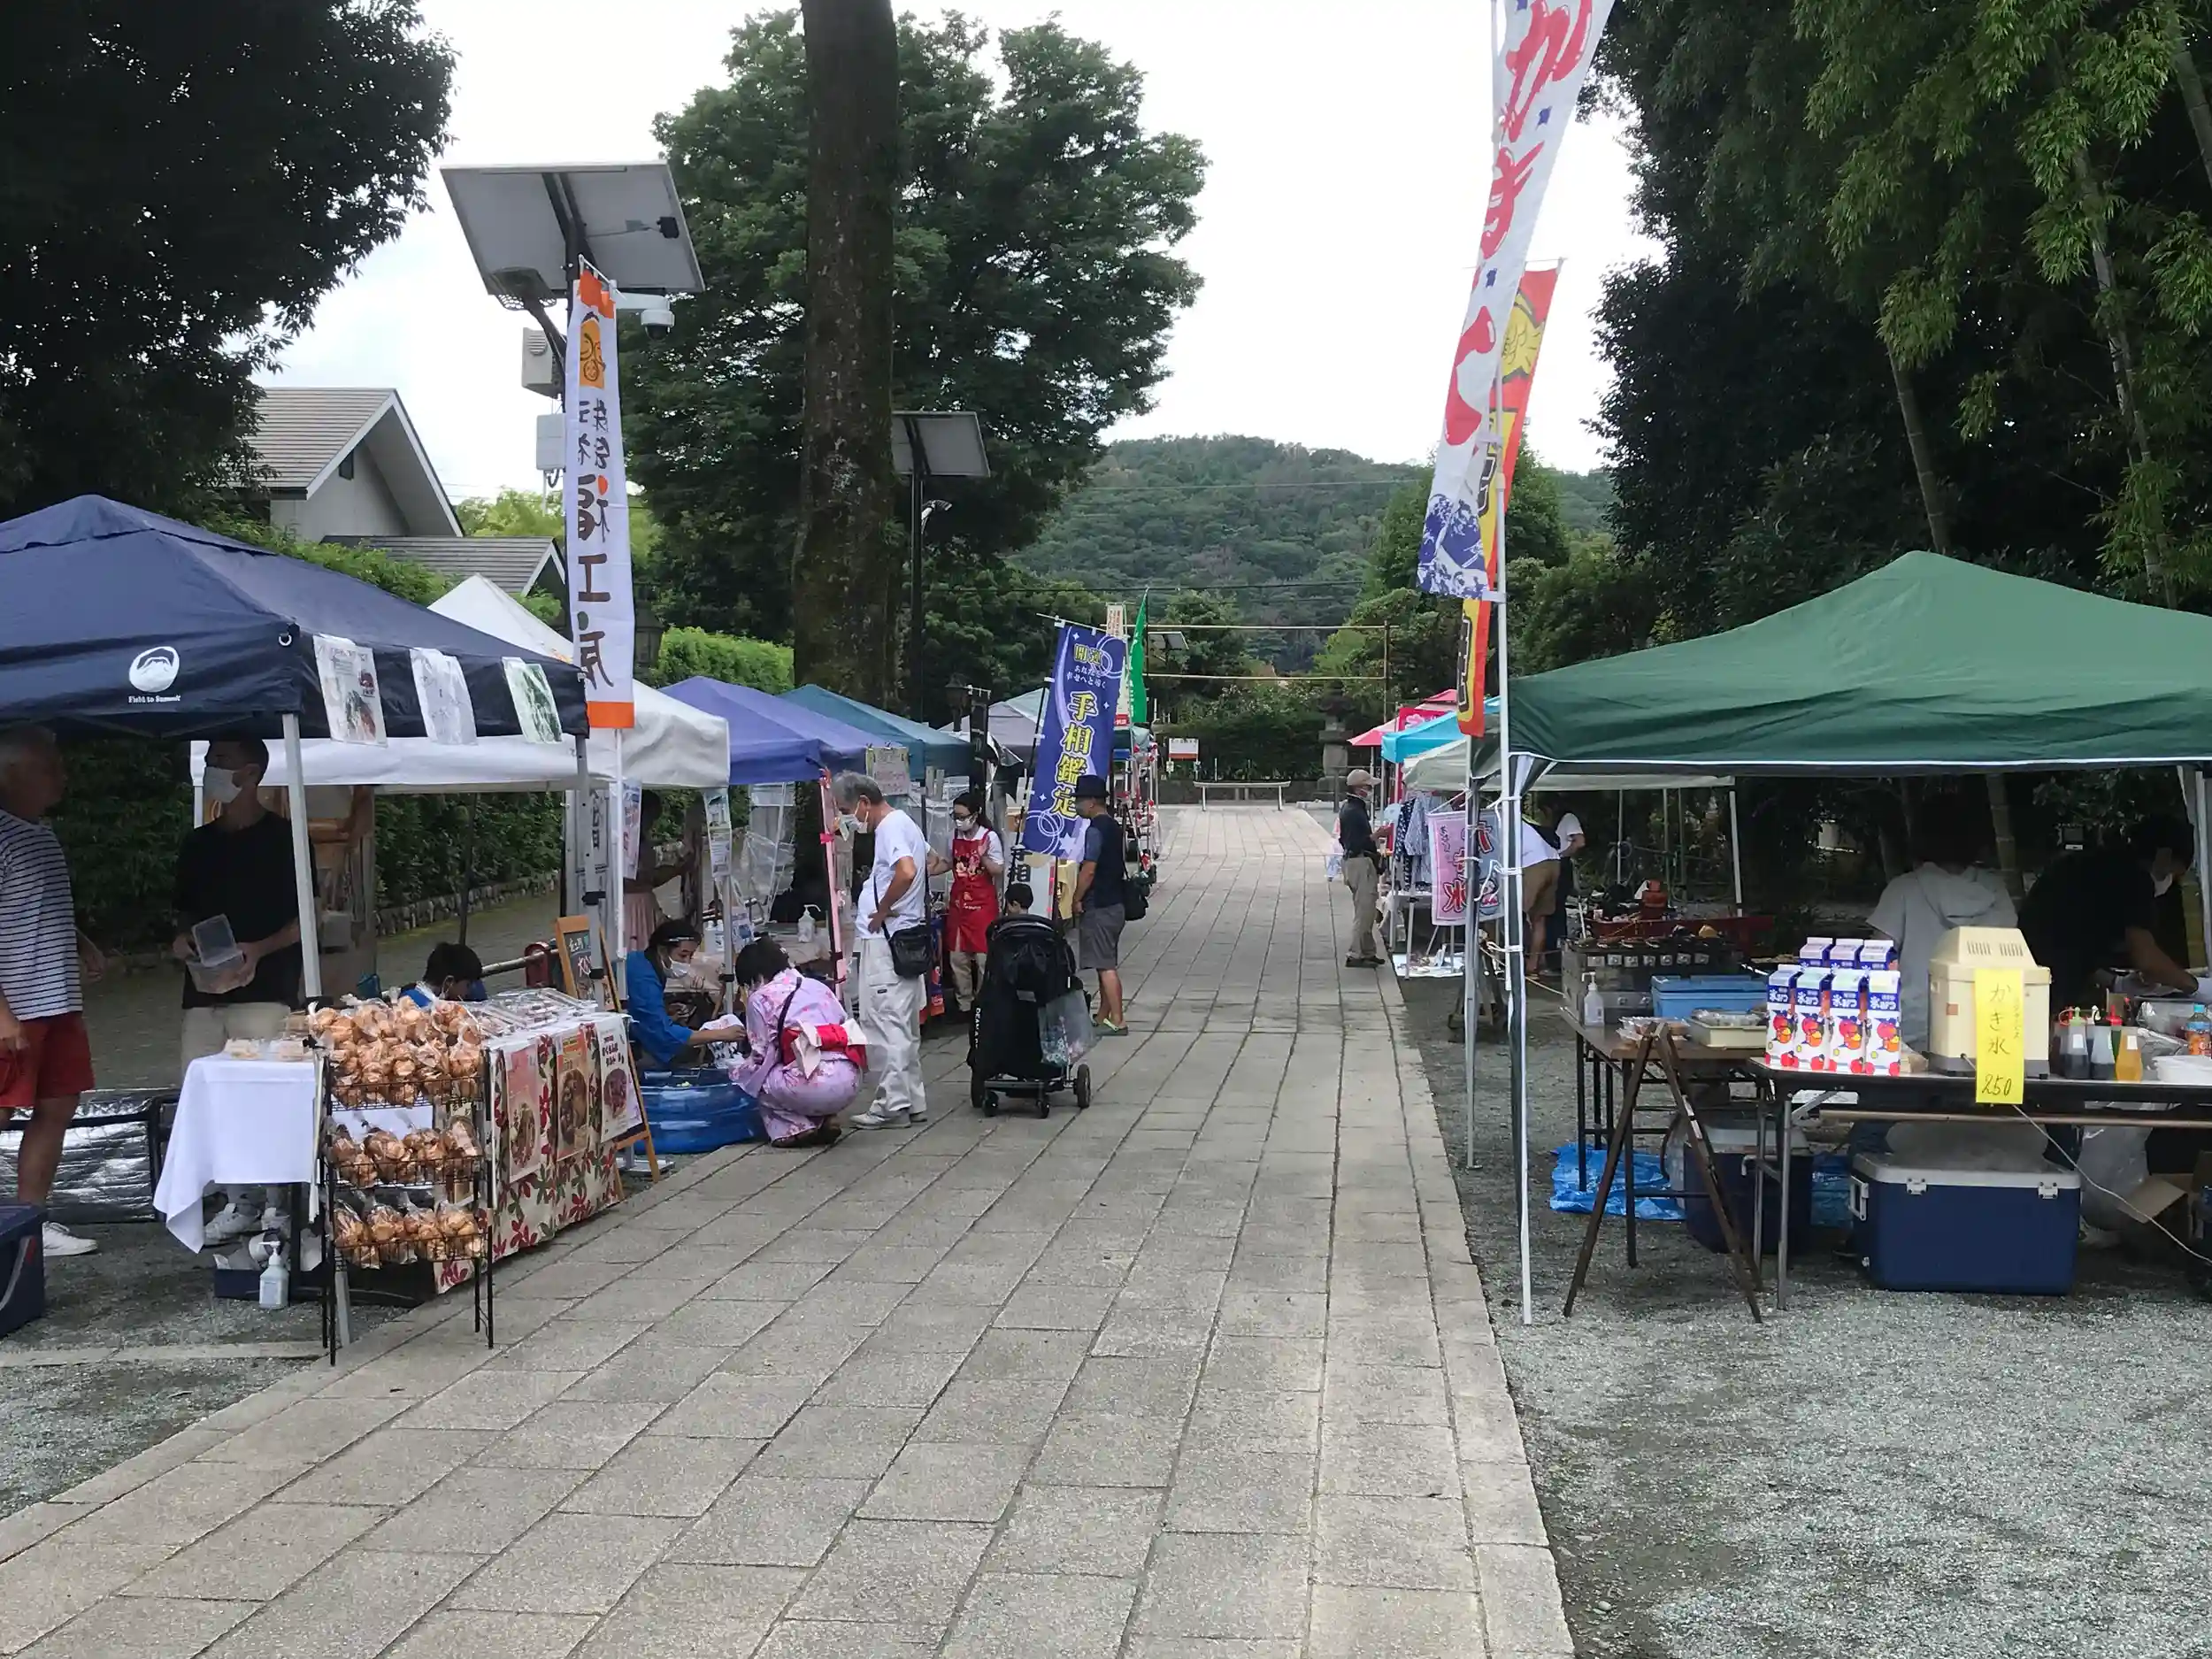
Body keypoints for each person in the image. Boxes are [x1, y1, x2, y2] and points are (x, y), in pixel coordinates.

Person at [172, 736, 306, 1244]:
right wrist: (182, 942)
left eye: (220, 761)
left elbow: (306, 920)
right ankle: (235, 1197)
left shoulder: (285, 841)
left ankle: (276, 1203)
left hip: (266, 992)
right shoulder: (197, 845)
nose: (210, 769)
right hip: (203, 995)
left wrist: (259, 949)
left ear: (251, 773)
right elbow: (181, 915)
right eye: (209, 761)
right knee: (206, 1097)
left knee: (265, 1097)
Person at [0, 727, 104, 1258]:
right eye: (50, 768)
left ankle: (31, 1222)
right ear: (11, 774)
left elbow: (37, 904)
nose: (62, 777)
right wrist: (2, 1015)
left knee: (57, 1107)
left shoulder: (41, 833)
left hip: (58, 1000)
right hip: (15, 1006)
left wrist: (81, 942)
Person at [1866, 793, 2017, 1051]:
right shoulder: (1996, 892)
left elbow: (1874, 962)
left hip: (1913, 1034)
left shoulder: (1904, 890)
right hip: (1988, 1034)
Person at [2019, 814, 2199, 1011]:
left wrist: (2116, 982)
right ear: (2164, 856)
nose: (2172, 882)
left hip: (2030, 966)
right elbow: (2147, 959)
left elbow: (2076, 942)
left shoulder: (2094, 864)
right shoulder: (2135, 879)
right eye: (2175, 874)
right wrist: (2193, 985)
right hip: (2048, 980)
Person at [837, 772, 930, 1128]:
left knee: (882, 1023)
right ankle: (912, 1100)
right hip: (904, 936)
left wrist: (883, 908)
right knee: (902, 1025)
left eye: (846, 809)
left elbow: (906, 871)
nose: (846, 817)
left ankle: (892, 1105)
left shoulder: (890, 827)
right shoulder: (906, 824)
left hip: (886, 940)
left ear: (863, 802)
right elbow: (931, 862)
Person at [731, 938, 861, 1148]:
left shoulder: (760, 998)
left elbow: (761, 1055)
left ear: (756, 976)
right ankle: (826, 1119)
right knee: (795, 1070)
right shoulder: (817, 986)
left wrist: (736, 1073)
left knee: (756, 1081)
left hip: (813, 1086)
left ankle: (797, 1129)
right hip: (850, 1079)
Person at [1071, 775, 1130, 1035]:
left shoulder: (1095, 830)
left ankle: (1118, 1020)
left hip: (1101, 905)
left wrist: (1076, 898)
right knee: (1103, 961)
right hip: (1116, 904)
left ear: (1092, 802)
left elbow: (1089, 870)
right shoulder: (1114, 826)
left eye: (1079, 800)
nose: (1077, 805)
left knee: (1106, 966)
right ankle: (1103, 1015)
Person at [943, 789, 1005, 1010]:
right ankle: (964, 1003)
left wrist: (982, 855)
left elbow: (998, 870)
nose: (958, 821)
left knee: (982, 959)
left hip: (982, 907)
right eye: (955, 816)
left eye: (962, 816)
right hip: (959, 906)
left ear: (975, 815)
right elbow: (948, 863)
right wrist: (926, 869)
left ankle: (983, 1003)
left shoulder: (990, 837)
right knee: (957, 958)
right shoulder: (953, 837)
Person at [626, 918, 712, 1069]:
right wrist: (720, 1034)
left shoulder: (645, 963)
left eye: (690, 956)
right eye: (683, 955)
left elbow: (640, 1012)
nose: (687, 962)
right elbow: (661, 1032)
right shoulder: (642, 977)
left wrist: (664, 1011)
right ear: (662, 950)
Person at [624, 791, 694, 956]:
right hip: (632, 906)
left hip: (644, 903)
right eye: (651, 817)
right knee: (635, 949)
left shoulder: (642, 840)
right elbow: (639, 878)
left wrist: (675, 869)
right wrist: (675, 870)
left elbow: (650, 878)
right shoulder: (626, 841)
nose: (651, 823)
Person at [1339, 768, 1384, 968]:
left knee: (1367, 909)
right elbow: (1356, 842)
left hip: (1355, 862)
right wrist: (1377, 835)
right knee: (1364, 911)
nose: (1370, 790)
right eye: (1368, 786)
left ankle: (1367, 950)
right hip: (1359, 862)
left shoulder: (1351, 808)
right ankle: (1356, 953)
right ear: (1359, 788)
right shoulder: (1354, 811)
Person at [402, 942, 486, 1008]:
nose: (468, 992)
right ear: (449, 982)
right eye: (468, 985)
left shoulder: (417, 995)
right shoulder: (417, 1007)